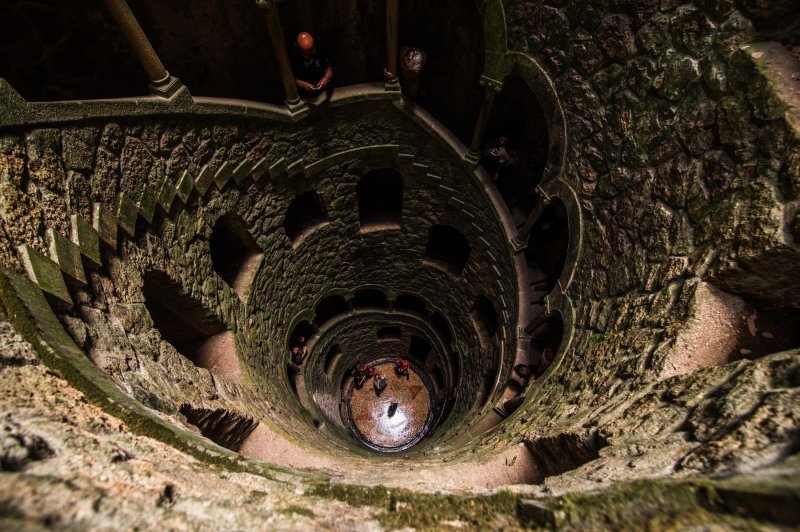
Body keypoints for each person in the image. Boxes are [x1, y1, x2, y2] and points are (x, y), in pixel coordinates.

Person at [292, 32, 333, 100]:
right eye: (304, 51)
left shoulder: (320, 47)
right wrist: (300, 83)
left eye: (310, 50)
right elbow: (286, 77)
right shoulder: (291, 54)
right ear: (297, 45)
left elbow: (328, 65)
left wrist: (326, 78)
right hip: (301, 91)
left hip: (320, 83)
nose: (308, 54)